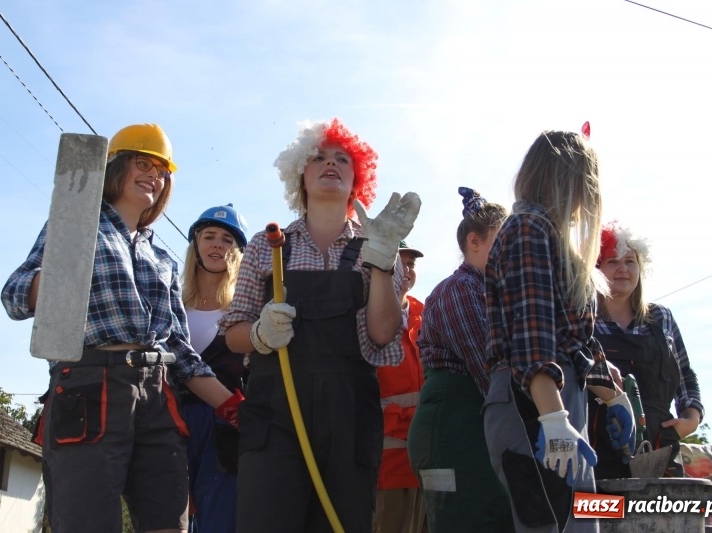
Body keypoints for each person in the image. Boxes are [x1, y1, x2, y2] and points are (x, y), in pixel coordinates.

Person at [1, 123, 243, 533]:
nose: (154, 175)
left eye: (162, 170)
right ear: (116, 168)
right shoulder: (79, 226)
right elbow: (15, 295)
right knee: (88, 522)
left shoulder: (161, 257)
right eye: (142, 163)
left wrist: (233, 408)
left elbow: (180, 351)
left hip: (156, 389)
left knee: (170, 521)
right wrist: (65, 263)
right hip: (89, 384)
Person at [220, 118, 421, 533]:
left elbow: (383, 335)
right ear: (301, 176)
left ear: (357, 179)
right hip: (275, 414)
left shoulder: (377, 246)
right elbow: (234, 334)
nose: (330, 164)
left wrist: (382, 263)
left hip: (350, 417)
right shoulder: (268, 244)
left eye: (342, 159)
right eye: (318, 158)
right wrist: (259, 334)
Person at [482, 130, 636, 533]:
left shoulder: (546, 234)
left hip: (555, 405)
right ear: (575, 180)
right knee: (554, 527)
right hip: (533, 406)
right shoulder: (529, 228)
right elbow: (533, 339)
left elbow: (573, 339)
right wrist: (553, 421)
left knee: (579, 524)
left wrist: (612, 394)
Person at [408, 187, 514, 532]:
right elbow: (489, 369)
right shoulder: (461, 290)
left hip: (479, 431)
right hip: (452, 434)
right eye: (504, 241)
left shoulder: (493, 294)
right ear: (475, 242)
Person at [587, 220, 704, 479]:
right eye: (612, 262)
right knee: (600, 516)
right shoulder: (584, 320)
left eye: (630, 261)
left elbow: (685, 374)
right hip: (597, 456)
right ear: (595, 269)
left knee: (666, 518)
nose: (623, 269)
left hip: (660, 452)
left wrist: (691, 418)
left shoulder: (661, 318)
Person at [180, 204, 251, 532]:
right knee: (165, 516)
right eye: (209, 236)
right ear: (196, 243)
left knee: (219, 521)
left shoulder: (244, 312)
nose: (217, 245)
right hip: (170, 422)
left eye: (227, 239)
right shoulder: (171, 304)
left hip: (225, 428)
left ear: (238, 252)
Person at [373, 240, 427, 533]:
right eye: (399, 263)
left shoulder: (425, 312)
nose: (406, 270)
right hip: (387, 460)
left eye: (411, 264)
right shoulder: (367, 316)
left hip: (425, 459)